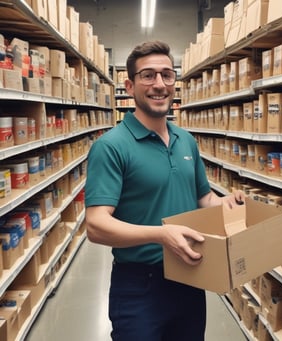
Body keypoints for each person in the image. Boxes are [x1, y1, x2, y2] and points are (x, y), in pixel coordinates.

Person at [84, 40, 245, 341]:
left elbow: (203, 197)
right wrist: (161, 234)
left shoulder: (187, 141)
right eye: (148, 75)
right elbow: (96, 225)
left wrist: (227, 204)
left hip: (191, 276)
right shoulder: (110, 146)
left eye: (167, 75)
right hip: (139, 286)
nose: (159, 84)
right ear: (129, 86)